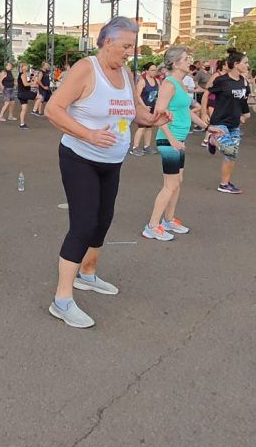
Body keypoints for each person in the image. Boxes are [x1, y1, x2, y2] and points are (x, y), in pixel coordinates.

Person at [46, 17, 168, 328]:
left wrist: (152, 120)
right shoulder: (86, 69)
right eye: (126, 45)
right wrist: (88, 134)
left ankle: (88, 274)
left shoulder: (125, 73)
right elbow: (53, 109)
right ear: (106, 42)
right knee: (83, 224)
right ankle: (62, 300)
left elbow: (134, 110)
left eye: (133, 46)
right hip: (80, 157)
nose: (131, 51)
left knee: (103, 220)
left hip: (112, 161)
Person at [142, 47, 201, 241]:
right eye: (185, 59)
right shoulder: (169, 84)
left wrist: (208, 127)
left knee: (177, 183)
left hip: (178, 139)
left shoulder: (181, 84)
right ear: (175, 63)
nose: (188, 61)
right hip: (169, 139)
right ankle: (152, 225)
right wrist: (173, 140)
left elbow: (187, 111)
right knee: (170, 184)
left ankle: (168, 220)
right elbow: (159, 113)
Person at [201, 50, 251, 194]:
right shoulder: (222, 80)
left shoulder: (244, 81)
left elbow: (243, 100)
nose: (248, 65)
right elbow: (207, 93)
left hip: (234, 123)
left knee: (232, 155)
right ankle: (212, 140)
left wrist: (245, 114)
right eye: (245, 62)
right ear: (236, 64)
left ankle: (224, 184)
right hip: (219, 121)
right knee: (229, 149)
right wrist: (204, 112)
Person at [130, 62, 161, 156]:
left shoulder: (157, 81)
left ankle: (147, 146)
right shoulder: (142, 81)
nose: (154, 72)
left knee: (149, 127)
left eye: (155, 70)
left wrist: (158, 106)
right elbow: (137, 95)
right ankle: (135, 148)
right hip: (142, 107)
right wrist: (144, 107)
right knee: (142, 127)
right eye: (152, 70)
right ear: (146, 71)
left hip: (152, 107)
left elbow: (159, 95)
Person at [17, 62, 37, 129]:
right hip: (24, 93)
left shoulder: (25, 74)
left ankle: (22, 124)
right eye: (25, 66)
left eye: (27, 66)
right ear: (21, 67)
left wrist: (32, 79)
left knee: (24, 109)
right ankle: (34, 111)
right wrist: (32, 83)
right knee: (40, 96)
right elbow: (25, 84)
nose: (26, 67)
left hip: (21, 94)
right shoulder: (22, 75)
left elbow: (27, 82)